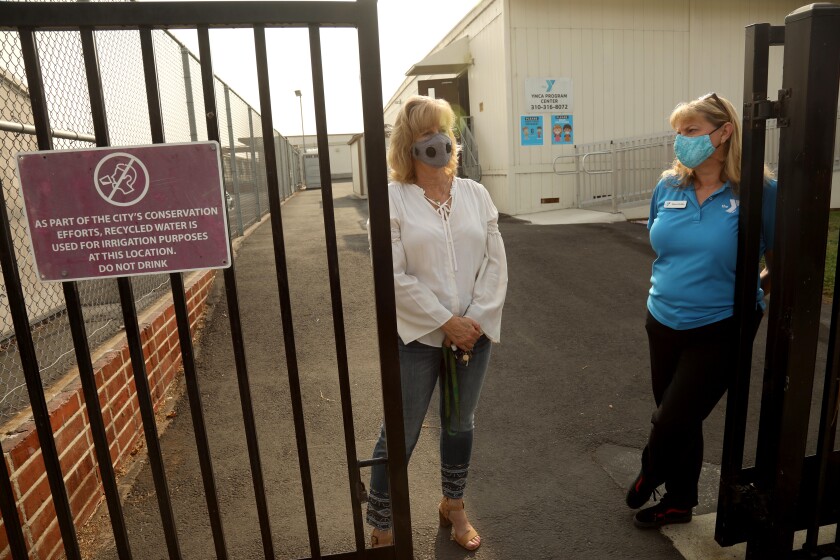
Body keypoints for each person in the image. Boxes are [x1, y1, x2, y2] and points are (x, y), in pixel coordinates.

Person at [626, 92, 776, 528]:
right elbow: (663, 246)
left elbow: (782, 259)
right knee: (681, 419)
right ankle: (678, 501)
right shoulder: (667, 186)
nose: (680, 141)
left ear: (724, 132)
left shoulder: (757, 191)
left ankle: (650, 469)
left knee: (670, 416)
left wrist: (754, 295)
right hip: (662, 319)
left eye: (690, 131)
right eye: (677, 133)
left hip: (720, 326)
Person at [366, 95, 508, 550]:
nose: (438, 141)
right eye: (425, 133)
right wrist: (446, 321)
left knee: (459, 423)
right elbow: (392, 274)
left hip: (473, 336)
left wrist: (476, 320)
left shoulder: (475, 194)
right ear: (409, 145)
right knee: (401, 431)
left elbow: (495, 263)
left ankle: (454, 505)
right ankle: (383, 524)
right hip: (417, 338)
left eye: (443, 130)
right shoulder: (392, 198)